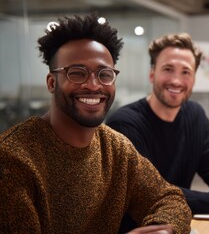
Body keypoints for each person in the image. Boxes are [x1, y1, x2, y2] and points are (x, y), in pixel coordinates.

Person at [0, 13, 191, 234]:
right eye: (77, 73)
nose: (93, 85)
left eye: (104, 74)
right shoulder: (12, 159)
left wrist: (163, 231)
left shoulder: (115, 148)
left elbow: (170, 198)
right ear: (52, 83)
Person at [106, 33, 209, 218]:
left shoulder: (195, 115)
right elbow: (149, 192)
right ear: (152, 74)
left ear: (194, 78)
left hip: (179, 222)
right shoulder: (125, 123)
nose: (176, 81)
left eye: (185, 72)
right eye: (168, 69)